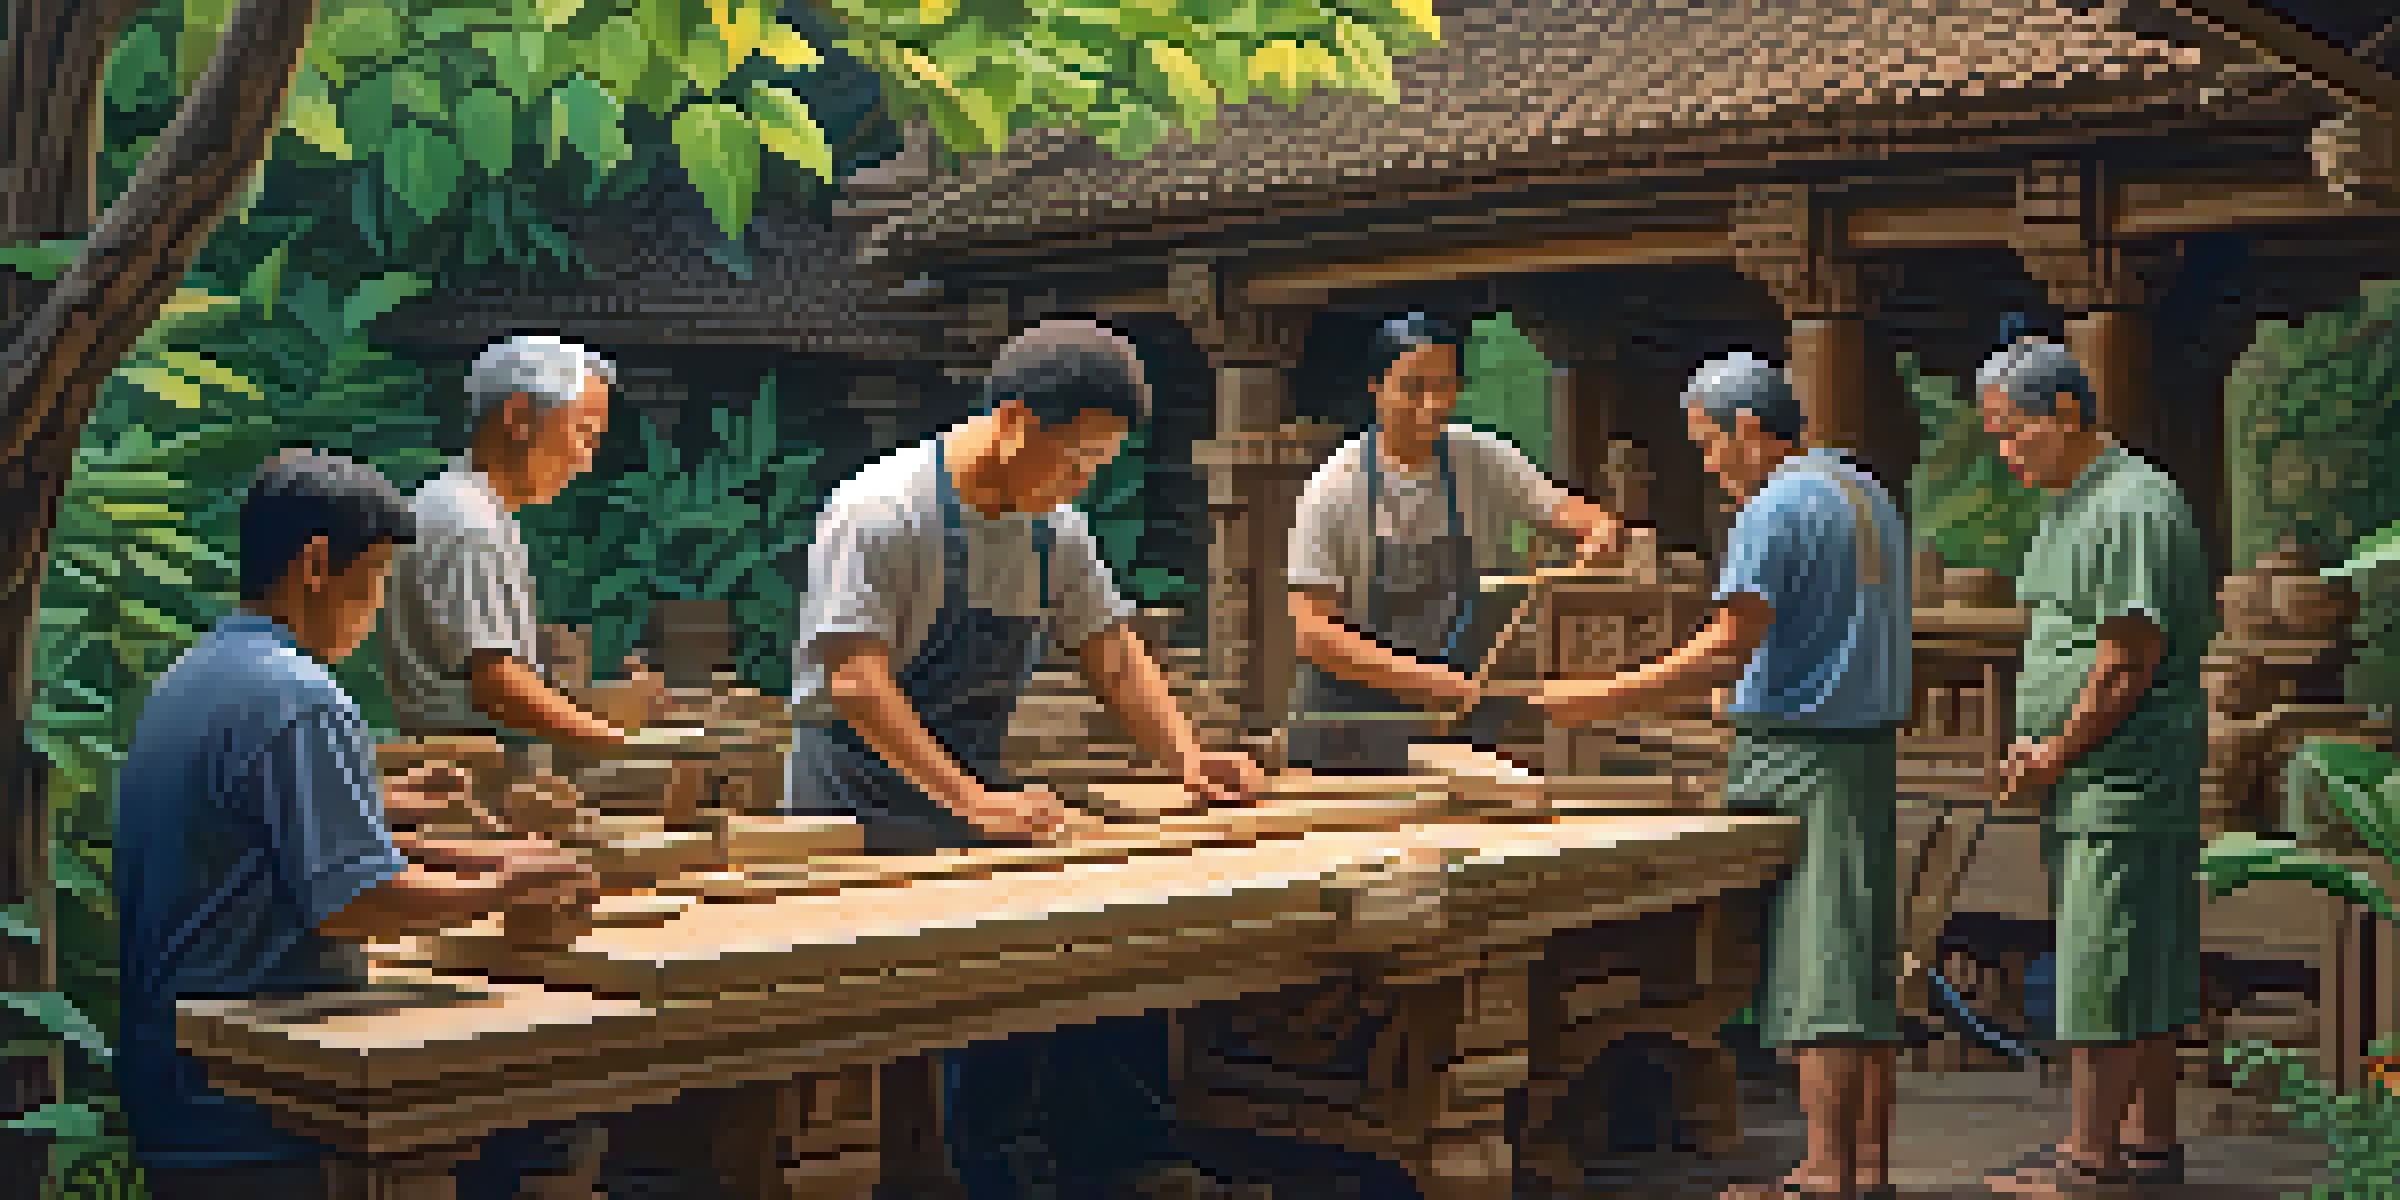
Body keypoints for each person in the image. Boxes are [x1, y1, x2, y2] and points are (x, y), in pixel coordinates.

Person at [786, 318, 1267, 1199]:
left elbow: (1115, 658)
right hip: (854, 802)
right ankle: (982, 1172)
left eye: (1100, 464)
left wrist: (1188, 761)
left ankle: (1122, 1159)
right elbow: (857, 683)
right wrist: (974, 805)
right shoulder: (882, 511)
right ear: (1012, 421)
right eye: (1078, 459)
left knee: (1111, 919)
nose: (1087, 480)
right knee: (987, 961)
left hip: (965, 785)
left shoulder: (1059, 535)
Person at [116, 451, 599, 1200]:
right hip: (259, 1096)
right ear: (316, 565)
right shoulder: (298, 695)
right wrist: (506, 888)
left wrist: (460, 849)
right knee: (542, 1131)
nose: (375, 611)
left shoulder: (201, 672)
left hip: (175, 1080)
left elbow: (266, 851)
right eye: (373, 581)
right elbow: (352, 901)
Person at [1535, 353, 1912, 1200]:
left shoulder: (1775, 505)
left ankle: (1823, 1172)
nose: (1707, 463)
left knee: (1824, 974)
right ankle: (1870, 1170)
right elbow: (1811, 635)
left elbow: (1728, 641)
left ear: (1750, 429)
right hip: (1863, 751)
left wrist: (1602, 698)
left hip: (1807, 758)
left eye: (1710, 445)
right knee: (1861, 968)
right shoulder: (1867, 491)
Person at [1975, 339, 2210, 1199]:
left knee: (2105, 961)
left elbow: (2125, 660)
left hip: (2120, 776)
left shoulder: (2131, 506)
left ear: (2066, 414)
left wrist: (2056, 750)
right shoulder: (2073, 504)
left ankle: (2089, 1157)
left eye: (2013, 433)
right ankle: (2147, 1142)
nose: (2005, 454)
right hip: (2086, 778)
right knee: (2129, 956)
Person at [1285, 313, 1626, 771]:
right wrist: (1424, 680)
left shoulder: (1481, 459)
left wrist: (1599, 533)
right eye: (1413, 387)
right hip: (1353, 719)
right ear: (1376, 387)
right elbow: (1313, 634)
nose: (1431, 404)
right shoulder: (1335, 487)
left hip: (1458, 709)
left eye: (1445, 386)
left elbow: (1575, 513)